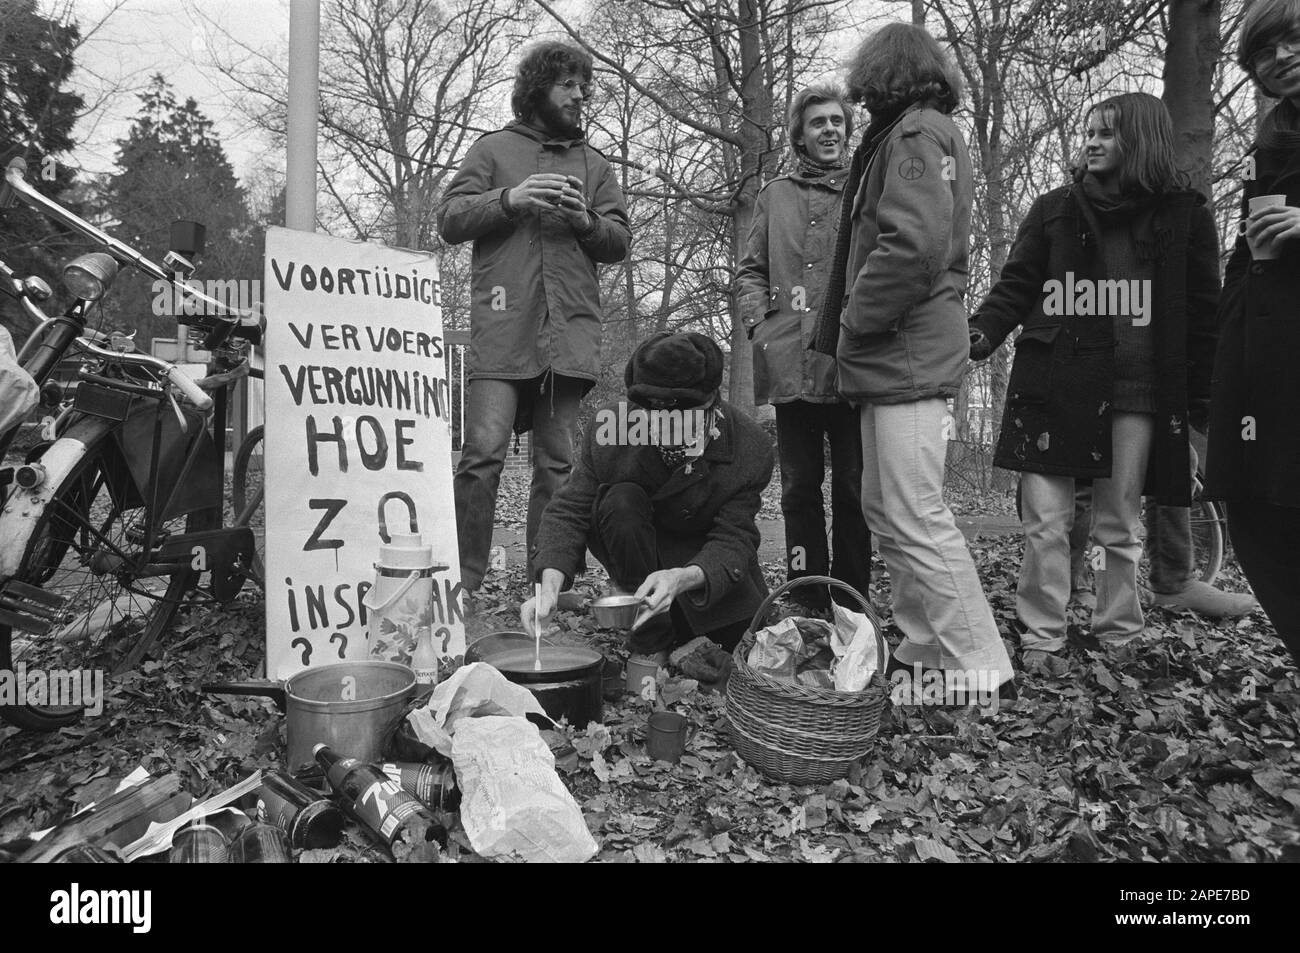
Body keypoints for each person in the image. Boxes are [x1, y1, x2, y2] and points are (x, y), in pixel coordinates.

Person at [969, 92, 1220, 652]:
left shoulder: (1186, 218)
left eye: (1106, 133)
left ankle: (1118, 631)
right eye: (1088, 131)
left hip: (1138, 396)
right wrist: (978, 335)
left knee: (1118, 525)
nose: (1091, 141)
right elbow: (1015, 287)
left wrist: (1198, 417)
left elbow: (1204, 319)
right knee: (1046, 522)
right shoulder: (1054, 209)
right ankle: (1042, 635)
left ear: (1141, 140)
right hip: (1052, 388)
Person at [811, 23, 1014, 699]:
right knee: (885, 506)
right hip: (891, 357)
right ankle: (923, 640)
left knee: (918, 510)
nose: (861, 98)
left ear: (888, 74)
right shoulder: (911, 132)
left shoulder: (916, 134)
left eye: (867, 83)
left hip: (905, 351)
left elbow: (915, 245)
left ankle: (982, 663)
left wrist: (852, 318)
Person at [437, 40, 631, 600]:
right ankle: (462, 581)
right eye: (568, 84)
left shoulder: (594, 164)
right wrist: (510, 198)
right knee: (482, 456)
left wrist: (585, 219)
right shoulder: (493, 149)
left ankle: (547, 583)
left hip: (568, 334)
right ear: (537, 88)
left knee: (559, 462)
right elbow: (450, 219)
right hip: (502, 330)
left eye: (583, 85)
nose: (580, 94)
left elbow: (618, 240)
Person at [522, 332, 774, 682]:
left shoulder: (752, 448)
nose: (666, 426)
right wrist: (549, 586)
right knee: (620, 499)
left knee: (733, 647)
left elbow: (735, 540)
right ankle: (649, 636)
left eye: (683, 415)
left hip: (701, 565)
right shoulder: (610, 428)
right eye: (653, 413)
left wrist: (682, 577)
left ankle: (678, 627)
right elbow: (571, 507)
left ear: (711, 404)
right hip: (635, 542)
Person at [736, 83, 872, 612]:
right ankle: (806, 594)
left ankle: (853, 599)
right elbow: (750, 270)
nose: (830, 130)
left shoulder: (865, 193)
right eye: (818, 123)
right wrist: (760, 325)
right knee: (798, 490)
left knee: (855, 493)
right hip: (789, 364)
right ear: (800, 135)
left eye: (837, 121)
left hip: (851, 364)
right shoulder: (775, 195)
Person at [1204, 0, 1300, 666]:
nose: (1280, 58)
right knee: (1253, 512)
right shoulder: (1274, 135)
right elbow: (1246, 248)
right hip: (1263, 352)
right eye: (1265, 52)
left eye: (1292, 40)